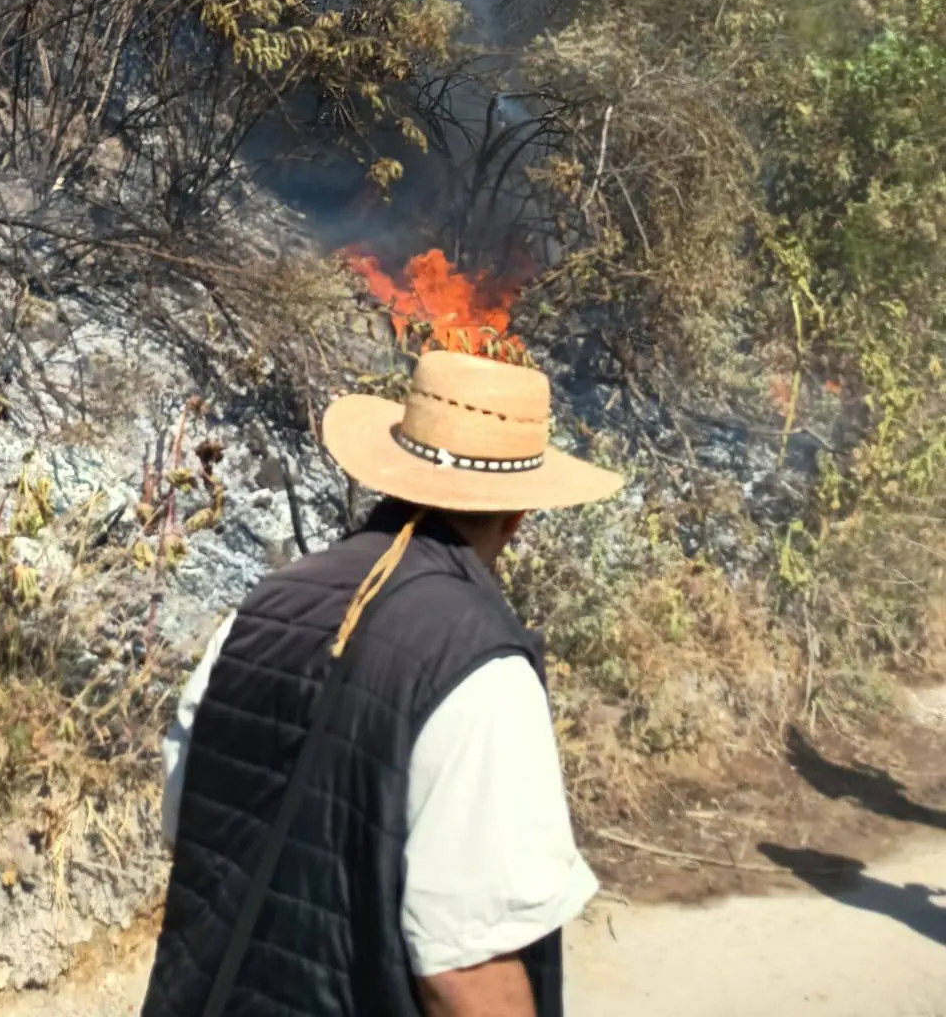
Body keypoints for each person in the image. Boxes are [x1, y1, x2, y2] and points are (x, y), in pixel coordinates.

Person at [141, 349, 622, 1017]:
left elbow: (187, 822)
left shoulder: (261, 607)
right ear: (517, 517)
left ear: (389, 475)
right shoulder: (482, 666)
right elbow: (466, 973)